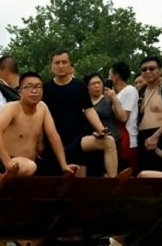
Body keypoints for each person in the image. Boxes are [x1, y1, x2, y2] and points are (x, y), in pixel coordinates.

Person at [41, 49, 119, 177]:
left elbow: (89, 110)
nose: (61, 66)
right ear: (51, 65)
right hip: (54, 142)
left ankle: (113, 182)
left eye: (64, 62)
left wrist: (101, 129)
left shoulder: (80, 86)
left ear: (70, 64)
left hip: (78, 140)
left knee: (109, 141)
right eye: (57, 62)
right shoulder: (46, 89)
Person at [0, 71, 79, 177]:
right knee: (29, 167)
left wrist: (64, 165)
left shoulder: (42, 107)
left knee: (44, 168)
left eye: (38, 87)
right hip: (7, 161)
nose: (34, 91)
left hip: (31, 162)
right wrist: (8, 163)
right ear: (20, 91)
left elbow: (54, 136)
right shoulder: (11, 108)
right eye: (29, 87)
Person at [137, 56, 162, 173]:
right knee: (143, 175)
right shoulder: (140, 91)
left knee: (161, 175)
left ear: (160, 70)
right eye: (144, 69)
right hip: (142, 137)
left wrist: (156, 135)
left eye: (151, 68)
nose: (147, 72)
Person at [108, 62, 140, 172]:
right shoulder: (116, 94)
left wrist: (113, 99)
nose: (108, 78)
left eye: (110, 75)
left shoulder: (130, 90)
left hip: (128, 141)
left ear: (116, 75)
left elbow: (123, 117)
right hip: (117, 140)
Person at [84, 72, 125, 151]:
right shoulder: (84, 103)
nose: (97, 86)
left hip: (112, 141)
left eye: (99, 83)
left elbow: (123, 118)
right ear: (87, 86)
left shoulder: (109, 100)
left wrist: (114, 98)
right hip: (93, 143)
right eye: (93, 84)